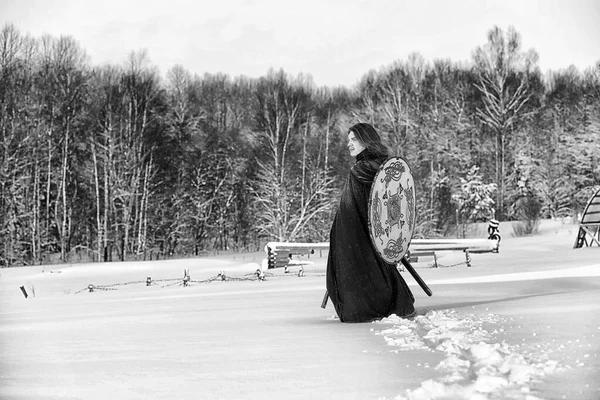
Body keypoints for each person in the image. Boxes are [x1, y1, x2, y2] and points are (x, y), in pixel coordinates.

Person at [326, 123, 416, 323]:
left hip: (357, 233)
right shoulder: (386, 167)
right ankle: (390, 303)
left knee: (361, 274)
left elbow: (351, 208)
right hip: (380, 234)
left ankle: (365, 308)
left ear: (367, 140)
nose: (349, 144)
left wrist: (342, 235)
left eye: (354, 139)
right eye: (348, 140)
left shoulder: (359, 170)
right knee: (380, 269)